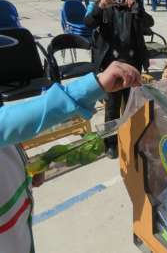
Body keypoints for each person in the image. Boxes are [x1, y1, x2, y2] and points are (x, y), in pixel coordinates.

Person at [0, 57, 141, 253]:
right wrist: (94, 85)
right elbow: (7, 124)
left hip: (19, 226)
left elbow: (8, 138)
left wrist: (25, 170)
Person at [85, 0, 154, 158]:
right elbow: (88, 23)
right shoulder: (101, 7)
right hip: (111, 67)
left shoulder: (132, 5)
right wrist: (99, 7)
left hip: (132, 64)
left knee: (134, 105)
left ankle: (136, 139)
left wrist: (137, 8)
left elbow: (150, 23)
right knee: (112, 107)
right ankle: (111, 144)